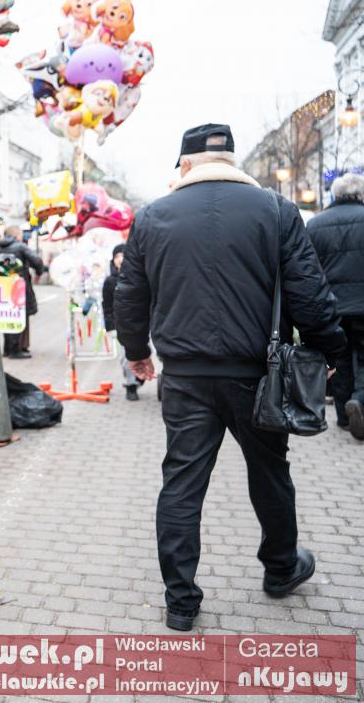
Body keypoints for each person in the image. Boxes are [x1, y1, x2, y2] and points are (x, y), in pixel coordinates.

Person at [115, 124, 346, 632]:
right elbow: (309, 290)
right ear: (232, 161)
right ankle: (281, 568)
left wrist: (136, 353)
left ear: (185, 164)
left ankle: (181, 602)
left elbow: (130, 294)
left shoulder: (153, 216)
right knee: (270, 472)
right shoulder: (276, 210)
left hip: (184, 375)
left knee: (181, 483)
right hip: (257, 376)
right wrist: (330, 349)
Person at [306, 173, 364, 440]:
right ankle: (360, 400)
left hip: (332, 306)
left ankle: (343, 416)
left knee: (339, 358)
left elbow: (307, 270)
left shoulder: (316, 224)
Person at [0, 226, 46, 359]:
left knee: (8, 315)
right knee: (19, 315)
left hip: (4, 286)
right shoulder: (20, 246)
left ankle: (7, 349)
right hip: (20, 286)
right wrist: (39, 272)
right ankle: (15, 350)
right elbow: (36, 260)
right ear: (16, 234)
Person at [101, 243, 140, 400]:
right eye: (117, 256)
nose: (120, 259)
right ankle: (131, 385)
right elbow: (107, 305)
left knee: (144, 352)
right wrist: (109, 325)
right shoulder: (110, 281)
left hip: (140, 322)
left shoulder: (139, 277)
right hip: (121, 325)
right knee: (126, 356)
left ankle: (138, 376)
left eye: (123, 255)